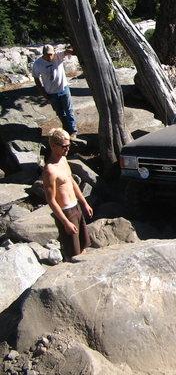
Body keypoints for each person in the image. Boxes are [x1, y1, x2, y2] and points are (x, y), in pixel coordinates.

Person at [43, 128, 93, 261]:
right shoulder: (50, 170)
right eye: (64, 146)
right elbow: (51, 200)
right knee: (73, 252)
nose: (68, 149)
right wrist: (65, 222)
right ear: (53, 146)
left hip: (76, 207)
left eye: (69, 145)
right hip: (66, 212)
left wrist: (84, 202)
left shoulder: (63, 160)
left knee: (83, 246)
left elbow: (72, 182)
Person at [33, 44, 78, 138]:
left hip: (64, 89)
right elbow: (36, 79)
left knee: (69, 111)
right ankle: (66, 130)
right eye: (47, 54)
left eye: (51, 54)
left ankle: (73, 131)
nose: (49, 56)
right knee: (60, 113)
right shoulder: (38, 63)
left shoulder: (58, 55)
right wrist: (43, 93)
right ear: (43, 54)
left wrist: (72, 50)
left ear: (53, 53)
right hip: (51, 93)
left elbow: (68, 52)